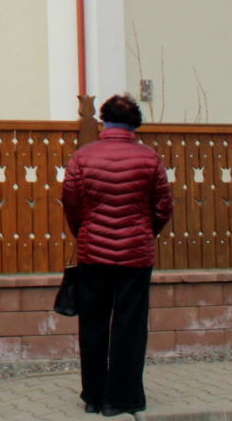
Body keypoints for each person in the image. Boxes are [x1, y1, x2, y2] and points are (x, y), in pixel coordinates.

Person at [61, 94, 173, 417]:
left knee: (92, 325)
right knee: (129, 327)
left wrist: (85, 232)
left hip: (92, 254)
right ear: (134, 123)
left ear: (103, 120)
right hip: (135, 257)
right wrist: (144, 233)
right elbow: (163, 207)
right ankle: (121, 399)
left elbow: (71, 203)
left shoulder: (82, 157)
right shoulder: (150, 158)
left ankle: (93, 397)